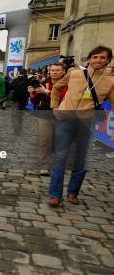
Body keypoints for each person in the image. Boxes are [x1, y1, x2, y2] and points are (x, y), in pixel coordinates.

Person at [48, 45, 114, 207]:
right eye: (95, 57)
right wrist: (55, 107)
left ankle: (73, 192)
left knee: (82, 159)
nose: (98, 60)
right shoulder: (74, 73)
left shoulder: (110, 81)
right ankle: (55, 195)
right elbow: (56, 88)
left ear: (108, 61)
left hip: (87, 122)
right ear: (90, 59)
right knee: (60, 157)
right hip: (65, 119)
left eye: (102, 57)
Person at [28, 63, 65, 176]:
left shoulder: (67, 84)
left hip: (62, 116)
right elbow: (35, 101)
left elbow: (64, 97)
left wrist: (46, 92)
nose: (54, 72)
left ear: (63, 72)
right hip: (44, 115)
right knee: (45, 141)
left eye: (57, 70)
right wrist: (32, 93)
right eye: (52, 70)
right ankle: (44, 166)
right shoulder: (44, 83)